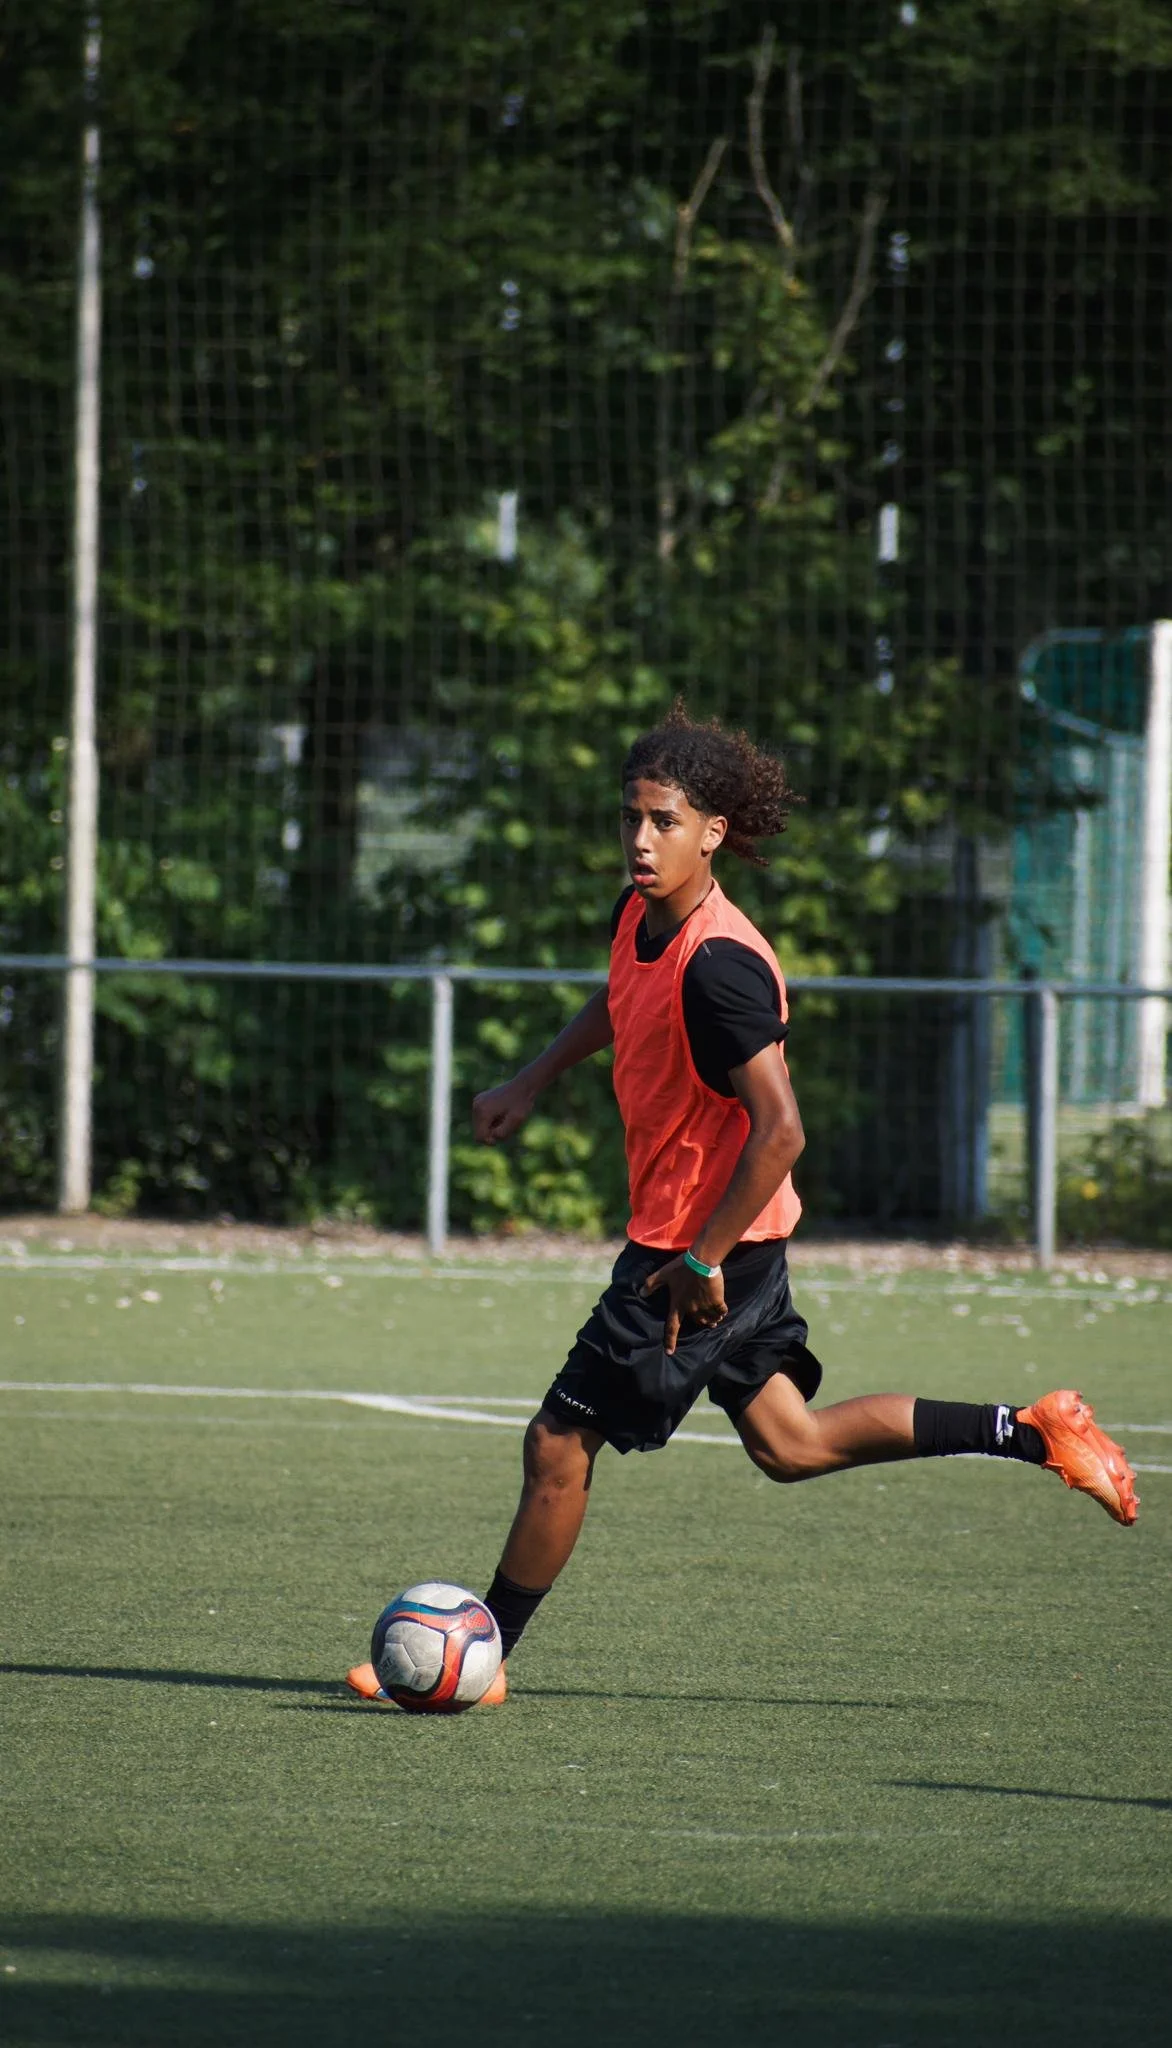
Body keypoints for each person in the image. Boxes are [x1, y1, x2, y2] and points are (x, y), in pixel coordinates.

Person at [347, 702, 1137, 1709]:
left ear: (710, 832)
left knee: (555, 1442)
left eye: (663, 821)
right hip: (724, 1242)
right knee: (788, 1442)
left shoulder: (721, 965)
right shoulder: (638, 913)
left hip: (693, 1253)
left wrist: (703, 1260)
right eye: (630, 816)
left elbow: (781, 1129)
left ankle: (483, 1651)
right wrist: (532, 1076)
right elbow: (616, 997)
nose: (639, 839)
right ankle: (1031, 1429)